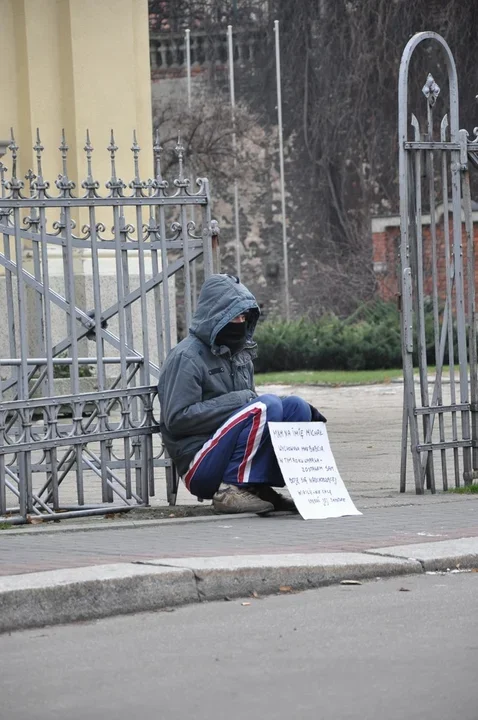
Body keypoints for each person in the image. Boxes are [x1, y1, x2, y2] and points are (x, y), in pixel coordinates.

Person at [158, 274, 327, 514]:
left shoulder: (240, 355)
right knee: (265, 405)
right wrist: (242, 400)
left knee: (294, 406)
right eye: (234, 316)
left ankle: (260, 487)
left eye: (244, 316)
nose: (240, 322)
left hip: (226, 449)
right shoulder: (186, 357)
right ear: (216, 315)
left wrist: (300, 412)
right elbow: (177, 419)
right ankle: (231, 490)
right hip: (199, 462)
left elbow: (251, 414)